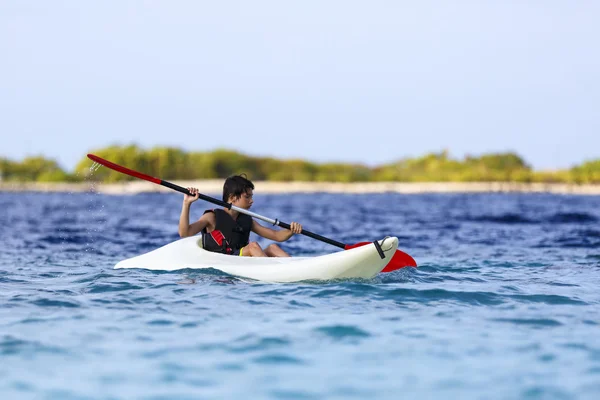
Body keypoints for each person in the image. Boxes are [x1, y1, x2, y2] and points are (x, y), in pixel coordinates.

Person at [178, 174, 302, 257]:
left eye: (251, 197)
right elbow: (185, 233)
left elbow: (276, 236)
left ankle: (297, 271)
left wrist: (291, 230)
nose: (251, 201)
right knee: (253, 246)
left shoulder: (246, 220)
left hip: (242, 259)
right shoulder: (212, 217)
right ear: (232, 198)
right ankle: (273, 272)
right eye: (247, 197)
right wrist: (186, 203)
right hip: (224, 261)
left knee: (273, 248)